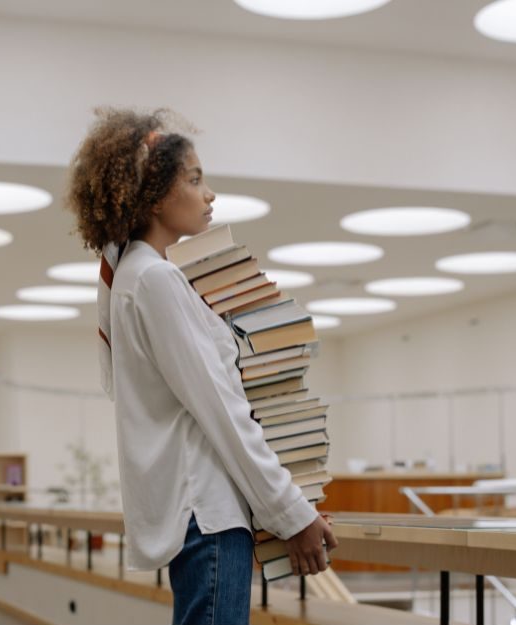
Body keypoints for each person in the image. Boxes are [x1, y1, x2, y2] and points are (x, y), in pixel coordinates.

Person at [66, 108, 338, 625]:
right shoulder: (154, 281)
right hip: (206, 513)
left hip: (198, 514)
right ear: (153, 193)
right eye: (194, 179)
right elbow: (221, 410)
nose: (208, 193)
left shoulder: (140, 275)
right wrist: (292, 513)